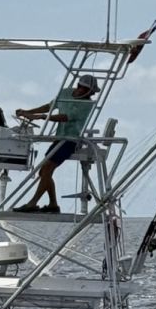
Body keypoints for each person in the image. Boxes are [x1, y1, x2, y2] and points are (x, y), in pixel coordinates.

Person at [12, 74, 99, 214]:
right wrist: (28, 112)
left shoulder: (87, 104)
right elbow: (50, 106)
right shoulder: (65, 93)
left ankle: (32, 203)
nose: (91, 94)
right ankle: (53, 204)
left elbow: (65, 117)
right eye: (90, 91)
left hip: (70, 140)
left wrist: (42, 117)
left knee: (46, 169)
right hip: (59, 138)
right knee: (43, 171)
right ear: (81, 87)